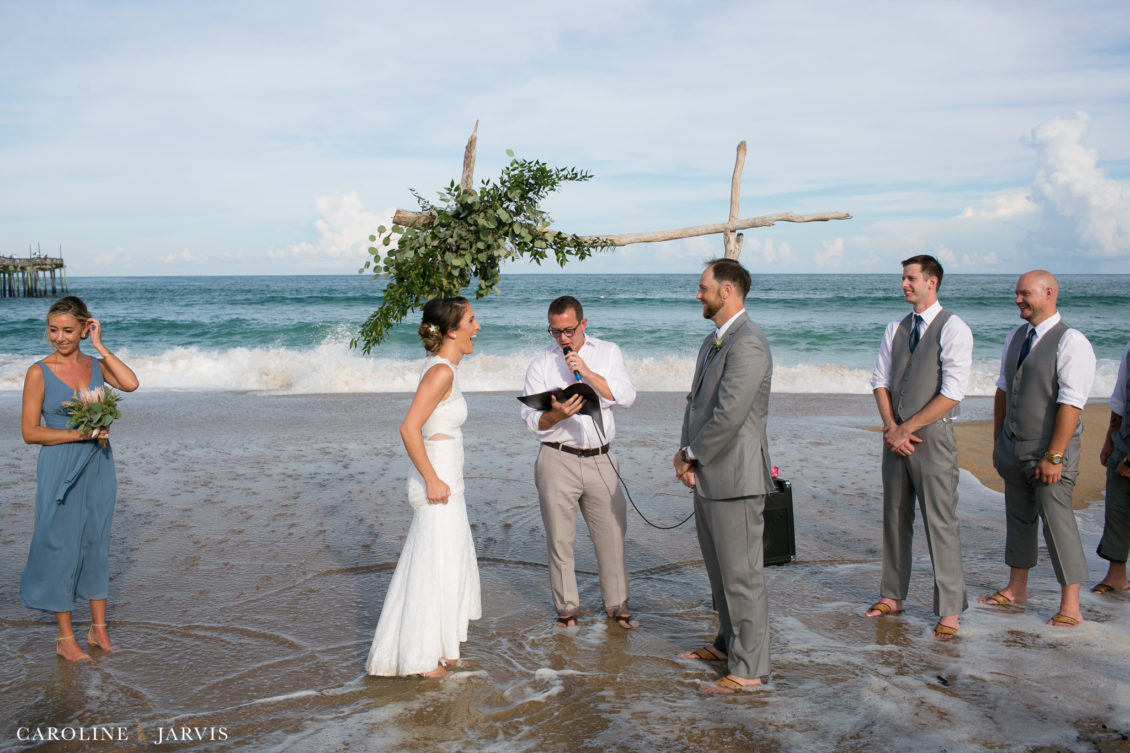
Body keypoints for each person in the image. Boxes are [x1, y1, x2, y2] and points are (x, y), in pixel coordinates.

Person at [366, 297, 482, 678]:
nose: (476, 327)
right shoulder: (441, 373)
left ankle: (443, 650)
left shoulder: (444, 368)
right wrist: (432, 478)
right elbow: (408, 428)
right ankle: (421, 658)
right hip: (438, 483)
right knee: (432, 567)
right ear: (452, 331)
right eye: (470, 320)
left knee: (447, 564)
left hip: (449, 480)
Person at [673, 258, 773, 694]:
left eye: (703, 288)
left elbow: (729, 414)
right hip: (710, 476)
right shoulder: (712, 342)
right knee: (719, 574)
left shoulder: (748, 343)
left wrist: (692, 454)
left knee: (742, 576)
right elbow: (695, 405)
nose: (698, 294)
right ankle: (726, 643)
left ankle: (749, 670)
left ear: (727, 291)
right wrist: (687, 458)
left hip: (736, 479)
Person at [20, 296, 139, 661]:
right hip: (59, 462)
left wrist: (100, 345)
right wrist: (80, 435)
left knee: (96, 540)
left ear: (84, 328)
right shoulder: (38, 371)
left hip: (98, 462)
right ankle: (64, 637)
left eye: (68, 330)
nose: (59, 337)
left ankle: (98, 629)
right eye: (53, 330)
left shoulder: (93, 365)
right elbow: (30, 432)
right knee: (61, 544)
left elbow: (131, 384)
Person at [979, 270, 1096, 627]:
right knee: (1018, 519)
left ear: (1048, 293)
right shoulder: (1015, 336)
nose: (1018, 299)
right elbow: (1003, 388)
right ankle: (1017, 588)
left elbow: (1071, 403)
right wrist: (999, 438)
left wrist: (1054, 455)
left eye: (1024, 294)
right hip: (1013, 446)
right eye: (1017, 293)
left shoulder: (1071, 341)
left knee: (1057, 523)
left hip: (1049, 451)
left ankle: (1071, 606)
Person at [865, 255, 972, 639]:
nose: (904, 284)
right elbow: (880, 381)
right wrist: (892, 427)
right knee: (894, 517)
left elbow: (953, 392)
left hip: (932, 438)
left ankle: (949, 610)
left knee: (940, 522)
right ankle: (892, 595)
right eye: (903, 278)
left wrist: (907, 427)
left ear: (932, 282)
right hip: (895, 438)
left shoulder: (953, 327)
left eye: (911, 278)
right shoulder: (896, 327)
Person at [520, 296, 637, 629]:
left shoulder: (608, 352)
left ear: (583, 324)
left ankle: (618, 606)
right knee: (559, 539)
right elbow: (530, 419)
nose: (562, 339)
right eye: (555, 332)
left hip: (601, 457)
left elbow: (626, 397)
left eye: (568, 330)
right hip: (557, 458)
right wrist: (554, 415)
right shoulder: (541, 363)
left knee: (613, 535)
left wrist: (587, 372)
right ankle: (567, 609)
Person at [1092, 338, 1130, 594]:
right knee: (1116, 509)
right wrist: (1109, 440)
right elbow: (1120, 397)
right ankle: (1116, 576)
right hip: (1122, 438)